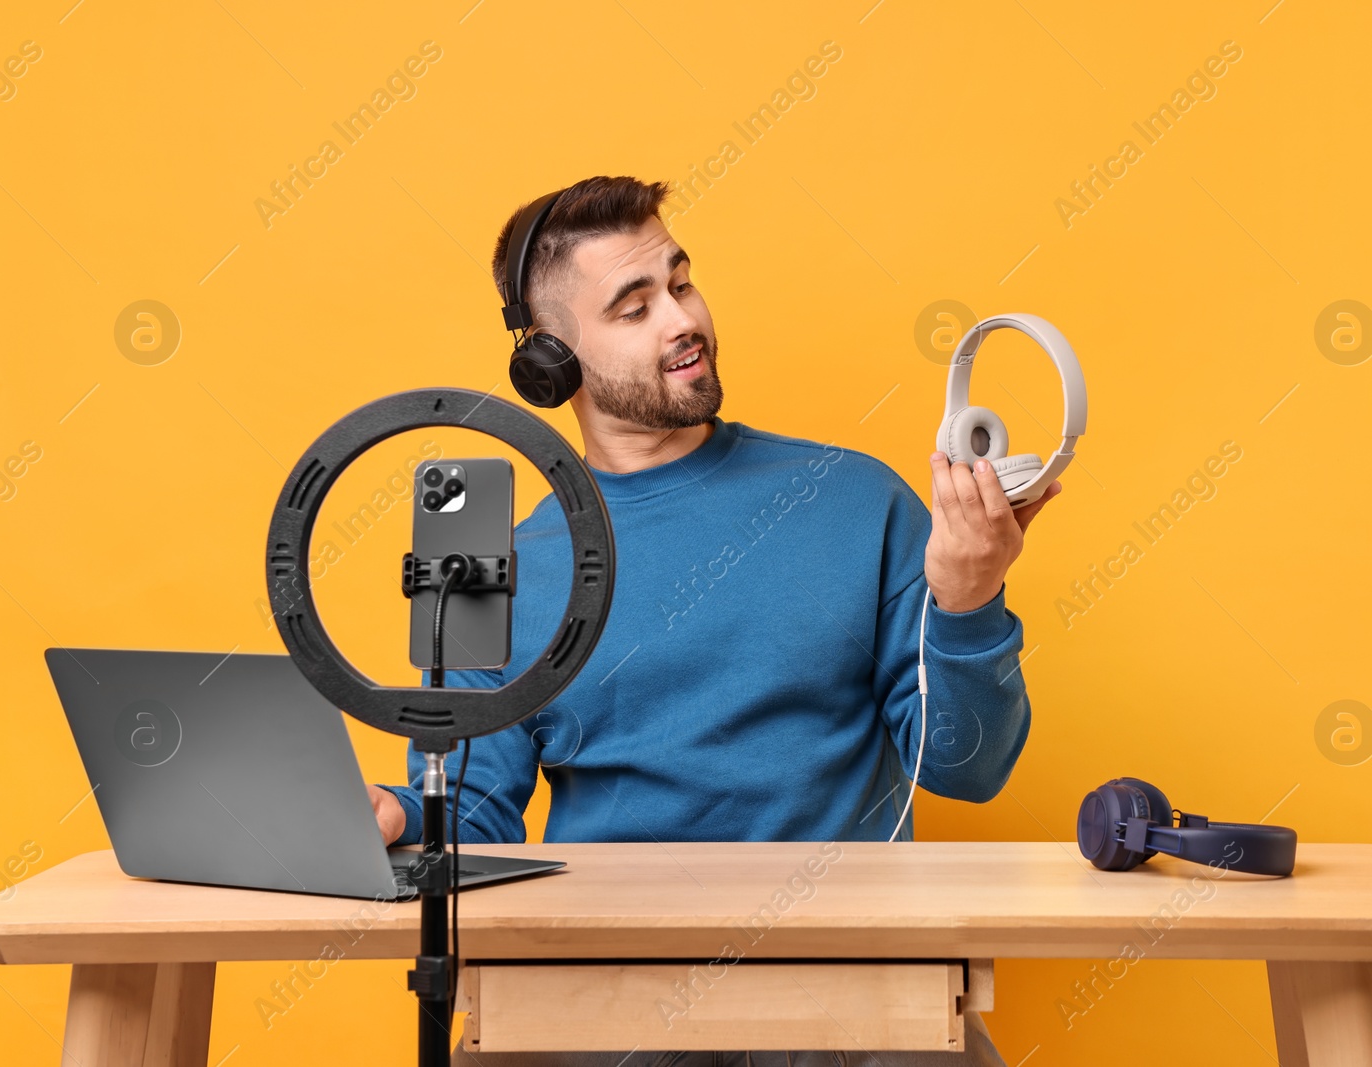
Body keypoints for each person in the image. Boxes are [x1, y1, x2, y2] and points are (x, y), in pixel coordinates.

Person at [365, 175, 1059, 1067]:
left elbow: (968, 770)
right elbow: (475, 820)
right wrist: (393, 816)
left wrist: (969, 598)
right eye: (633, 307)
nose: (680, 320)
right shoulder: (481, 568)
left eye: (681, 283)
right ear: (551, 360)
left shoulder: (856, 499)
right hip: (600, 996)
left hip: (852, 987)